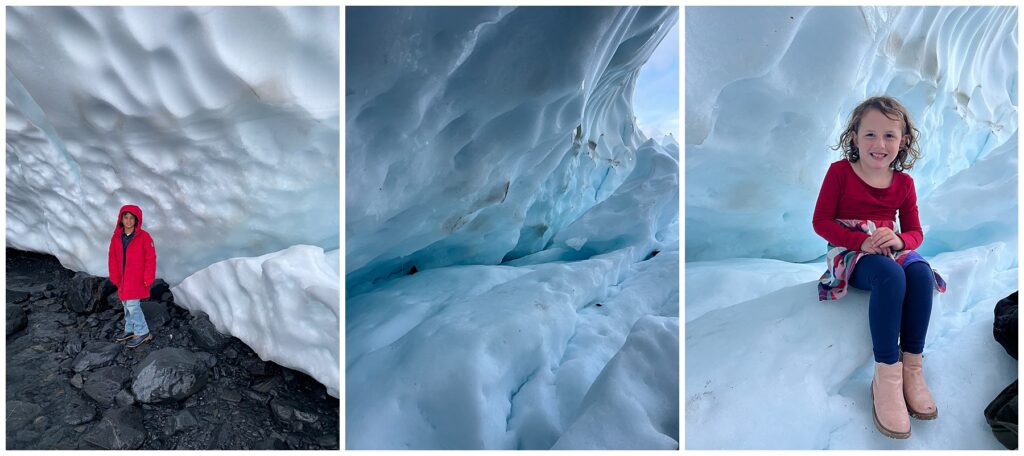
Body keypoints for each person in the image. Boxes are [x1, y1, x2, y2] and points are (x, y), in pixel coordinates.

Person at [812, 96, 946, 439]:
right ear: (854, 137)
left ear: (903, 142)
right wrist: (860, 242)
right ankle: (886, 375)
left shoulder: (904, 184)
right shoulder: (840, 173)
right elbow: (821, 222)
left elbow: (914, 232)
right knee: (890, 275)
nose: (879, 144)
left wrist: (900, 241)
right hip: (849, 250)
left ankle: (912, 366)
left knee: (918, 272)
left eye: (889, 135)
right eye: (870, 134)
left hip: (888, 247)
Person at [107, 204, 157, 348]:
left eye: (131, 218)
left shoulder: (144, 237)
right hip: (123, 278)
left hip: (136, 278)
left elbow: (150, 258)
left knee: (133, 305)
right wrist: (114, 275)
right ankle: (130, 329)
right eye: (125, 217)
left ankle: (143, 332)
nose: (128, 221)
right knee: (125, 304)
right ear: (121, 219)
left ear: (137, 220)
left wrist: (149, 277)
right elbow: (112, 257)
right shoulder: (117, 237)